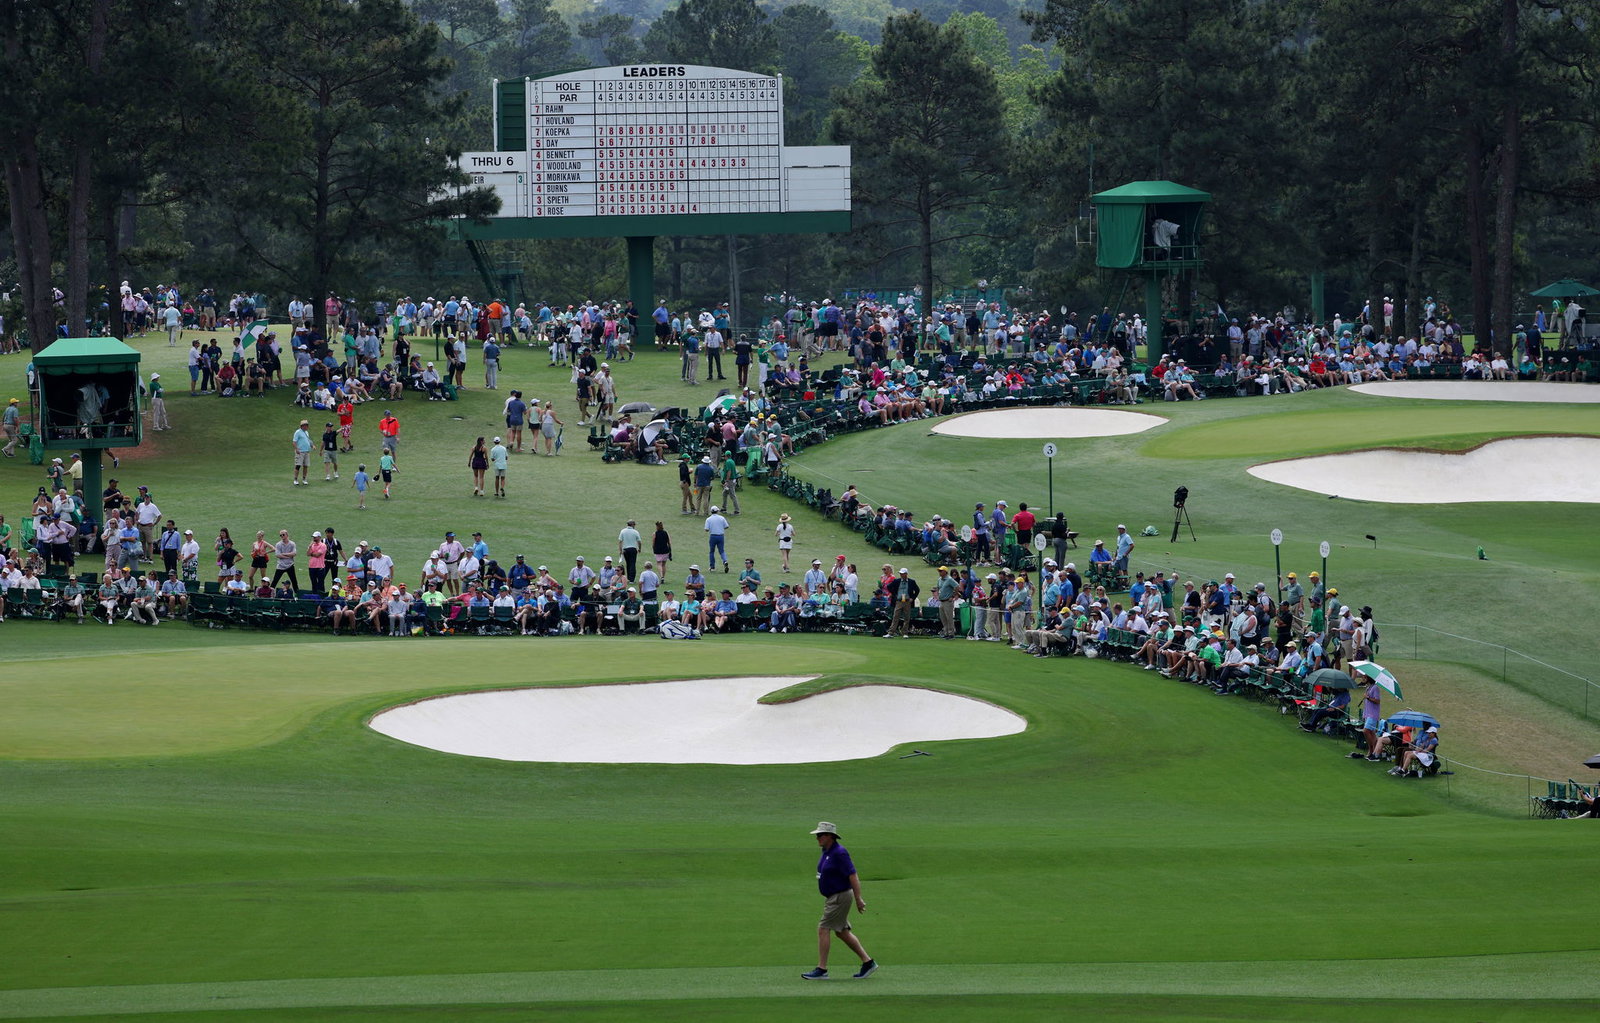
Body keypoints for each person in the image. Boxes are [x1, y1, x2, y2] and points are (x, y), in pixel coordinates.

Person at [801, 822, 876, 981]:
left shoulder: (839, 853)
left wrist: (858, 898)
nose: (817, 838)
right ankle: (868, 962)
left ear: (830, 836)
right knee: (842, 932)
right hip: (833, 897)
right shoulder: (826, 851)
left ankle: (822, 969)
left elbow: (853, 875)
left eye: (820, 835)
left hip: (839, 897)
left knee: (823, 928)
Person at [885, 567, 919, 638]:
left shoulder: (911, 582)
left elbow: (917, 590)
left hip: (907, 601)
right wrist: (894, 594)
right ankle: (891, 632)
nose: (901, 575)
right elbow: (889, 587)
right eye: (900, 573)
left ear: (906, 574)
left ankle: (905, 633)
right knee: (895, 617)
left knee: (907, 618)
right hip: (899, 601)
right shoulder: (897, 581)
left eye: (903, 574)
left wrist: (912, 598)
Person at [291, 420, 313, 485]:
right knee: (298, 466)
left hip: (307, 451)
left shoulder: (306, 432)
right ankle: (295, 479)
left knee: (306, 466)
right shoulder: (297, 432)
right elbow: (294, 442)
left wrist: (312, 445)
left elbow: (308, 440)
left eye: (307, 425)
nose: (306, 426)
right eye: (305, 425)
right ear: (302, 426)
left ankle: (304, 479)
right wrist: (296, 449)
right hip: (300, 452)